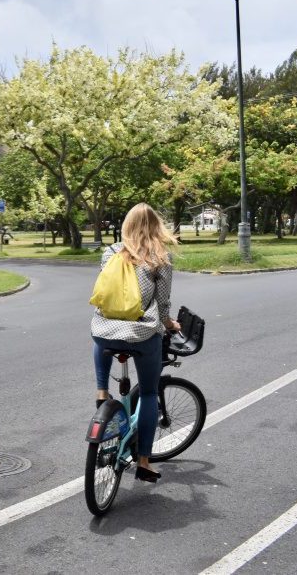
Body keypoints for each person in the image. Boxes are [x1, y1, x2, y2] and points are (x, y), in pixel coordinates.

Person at [91, 203, 179, 483]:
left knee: (103, 336)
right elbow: (162, 304)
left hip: (105, 329)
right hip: (141, 334)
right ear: (156, 226)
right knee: (150, 393)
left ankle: (102, 391)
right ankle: (143, 460)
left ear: (126, 225)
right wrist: (169, 324)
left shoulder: (110, 252)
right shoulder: (159, 259)